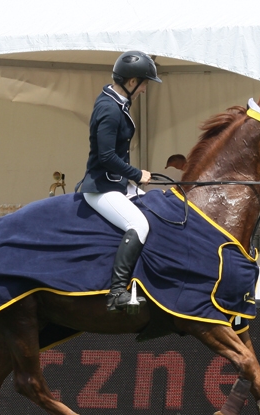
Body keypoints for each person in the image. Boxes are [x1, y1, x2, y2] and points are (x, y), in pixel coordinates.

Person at [77, 50, 161, 312]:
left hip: (116, 183)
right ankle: (117, 293)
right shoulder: (109, 108)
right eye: (145, 84)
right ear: (132, 81)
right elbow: (106, 156)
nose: (145, 90)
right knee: (139, 224)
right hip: (101, 188)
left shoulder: (116, 102)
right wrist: (137, 174)